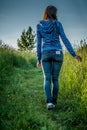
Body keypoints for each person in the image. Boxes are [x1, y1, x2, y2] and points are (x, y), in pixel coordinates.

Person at [36, 5, 82, 110]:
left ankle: (49, 102)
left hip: (46, 53)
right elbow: (65, 39)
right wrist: (74, 54)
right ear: (54, 13)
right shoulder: (58, 24)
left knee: (47, 78)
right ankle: (54, 101)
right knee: (55, 79)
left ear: (46, 13)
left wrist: (38, 59)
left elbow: (38, 44)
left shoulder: (40, 26)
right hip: (57, 53)